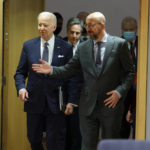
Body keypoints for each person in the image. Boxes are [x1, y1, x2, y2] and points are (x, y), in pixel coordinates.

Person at [32, 12, 135, 150]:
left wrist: (120, 91)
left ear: (102, 25)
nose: (88, 28)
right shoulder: (83, 47)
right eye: (86, 25)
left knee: (111, 146)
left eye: (91, 25)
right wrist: (51, 70)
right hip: (87, 107)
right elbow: (68, 69)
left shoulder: (119, 44)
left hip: (111, 105)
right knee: (86, 146)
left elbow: (130, 72)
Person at [14, 12, 78, 150]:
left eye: (45, 25)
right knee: (33, 139)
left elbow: (72, 76)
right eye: (40, 25)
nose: (41, 28)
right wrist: (21, 88)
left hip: (56, 102)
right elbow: (20, 73)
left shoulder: (66, 47)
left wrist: (71, 101)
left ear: (54, 27)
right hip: (34, 100)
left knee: (55, 142)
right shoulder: (28, 46)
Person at [63, 17, 83, 150]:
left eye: (77, 33)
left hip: (80, 99)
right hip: (61, 97)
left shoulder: (87, 48)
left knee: (77, 136)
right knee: (63, 135)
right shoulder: (59, 46)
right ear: (67, 31)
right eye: (72, 32)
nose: (74, 36)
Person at [120, 16, 138, 139]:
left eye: (131, 29)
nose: (128, 32)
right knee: (122, 127)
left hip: (138, 90)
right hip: (122, 90)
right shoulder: (117, 44)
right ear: (122, 30)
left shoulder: (143, 44)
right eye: (126, 29)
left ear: (136, 29)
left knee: (137, 126)